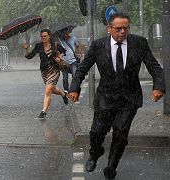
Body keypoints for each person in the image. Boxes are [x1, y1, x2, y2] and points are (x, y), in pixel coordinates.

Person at [68, 13, 165, 179]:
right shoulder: (99, 45)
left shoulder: (139, 43)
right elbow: (83, 67)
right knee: (96, 132)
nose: (122, 32)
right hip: (105, 97)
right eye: (118, 28)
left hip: (129, 98)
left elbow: (154, 66)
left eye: (125, 28)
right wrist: (74, 87)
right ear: (109, 28)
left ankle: (111, 167)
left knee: (120, 133)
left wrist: (158, 87)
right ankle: (95, 153)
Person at [23, 29, 68, 119]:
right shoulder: (39, 46)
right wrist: (27, 49)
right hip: (44, 71)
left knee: (48, 91)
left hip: (54, 69)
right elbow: (29, 56)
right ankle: (63, 94)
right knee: (52, 89)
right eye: (42, 36)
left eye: (45, 36)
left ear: (49, 36)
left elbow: (64, 52)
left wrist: (59, 58)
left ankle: (44, 112)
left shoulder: (55, 45)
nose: (43, 38)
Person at [57, 29, 82, 104]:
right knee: (65, 79)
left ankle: (76, 93)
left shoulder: (74, 39)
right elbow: (58, 51)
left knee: (75, 77)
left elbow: (78, 48)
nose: (65, 34)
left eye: (66, 32)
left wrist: (79, 54)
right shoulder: (60, 41)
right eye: (63, 32)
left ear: (69, 32)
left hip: (73, 61)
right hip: (64, 62)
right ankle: (66, 94)